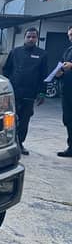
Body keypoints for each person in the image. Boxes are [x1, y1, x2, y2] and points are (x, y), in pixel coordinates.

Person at [3, 27, 47, 155]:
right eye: (29, 36)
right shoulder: (15, 52)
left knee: (24, 120)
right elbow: (6, 70)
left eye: (33, 37)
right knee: (9, 119)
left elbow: (43, 75)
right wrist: (7, 86)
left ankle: (20, 143)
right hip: (14, 93)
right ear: (24, 38)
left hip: (29, 94)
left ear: (37, 39)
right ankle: (6, 142)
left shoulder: (42, 54)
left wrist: (42, 93)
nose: (31, 39)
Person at [55, 26, 72, 157]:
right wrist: (58, 73)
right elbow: (60, 66)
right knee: (68, 120)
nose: (71, 37)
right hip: (67, 91)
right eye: (70, 35)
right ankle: (71, 147)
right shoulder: (68, 50)